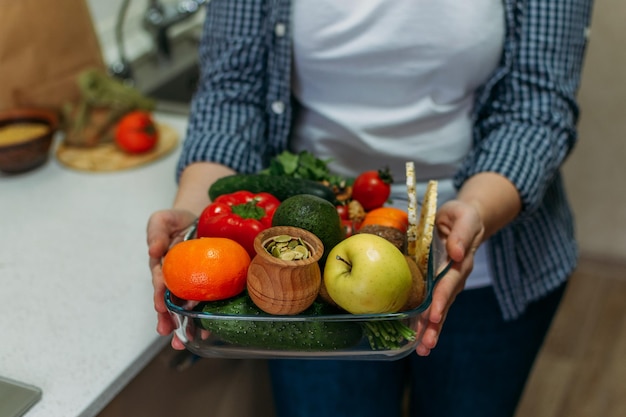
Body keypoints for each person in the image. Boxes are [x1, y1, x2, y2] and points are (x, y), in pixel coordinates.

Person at [147, 1, 594, 416]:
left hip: (492, 261)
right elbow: (231, 95)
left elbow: (538, 106)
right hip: (312, 269)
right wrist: (192, 215)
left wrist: (476, 208)